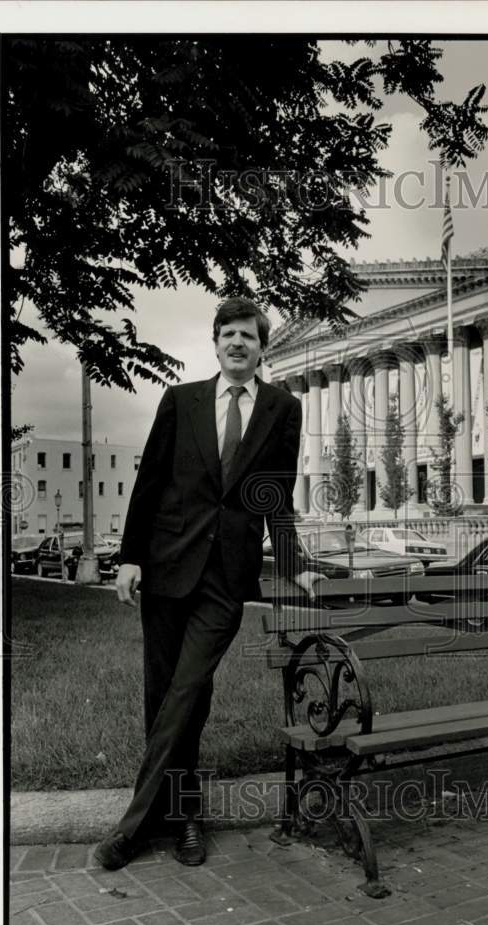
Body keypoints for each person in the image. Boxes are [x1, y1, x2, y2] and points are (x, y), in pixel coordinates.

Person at [94, 297, 322, 870]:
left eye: (248, 335)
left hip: (226, 579)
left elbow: (277, 495)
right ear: (215, 343)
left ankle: (133, 828)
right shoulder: (180, 400)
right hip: (167, 567)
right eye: (228, 335)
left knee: (188, 689)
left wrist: (295, 563)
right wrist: (128, 557)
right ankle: (185, 815)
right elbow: (148, 481)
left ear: (262, 346)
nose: (237, 343)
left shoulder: (282, 408)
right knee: (165, 698)